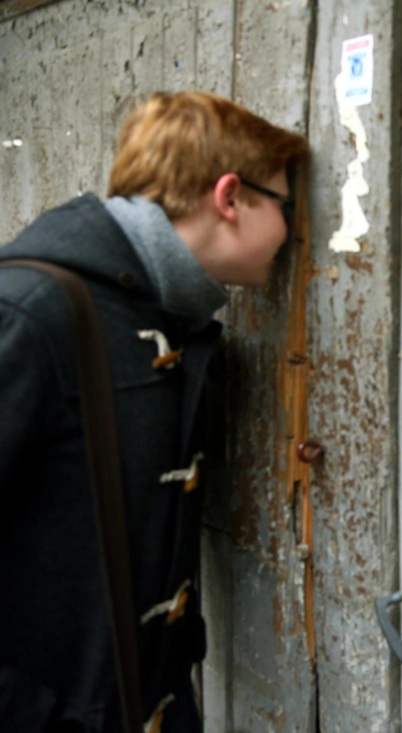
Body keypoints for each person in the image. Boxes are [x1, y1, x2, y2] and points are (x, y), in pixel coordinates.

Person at [0, 91, 308, 732]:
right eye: (285, 205)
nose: (292, 229)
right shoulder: (30, 313)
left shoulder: (154, 314)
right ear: (230, 198)